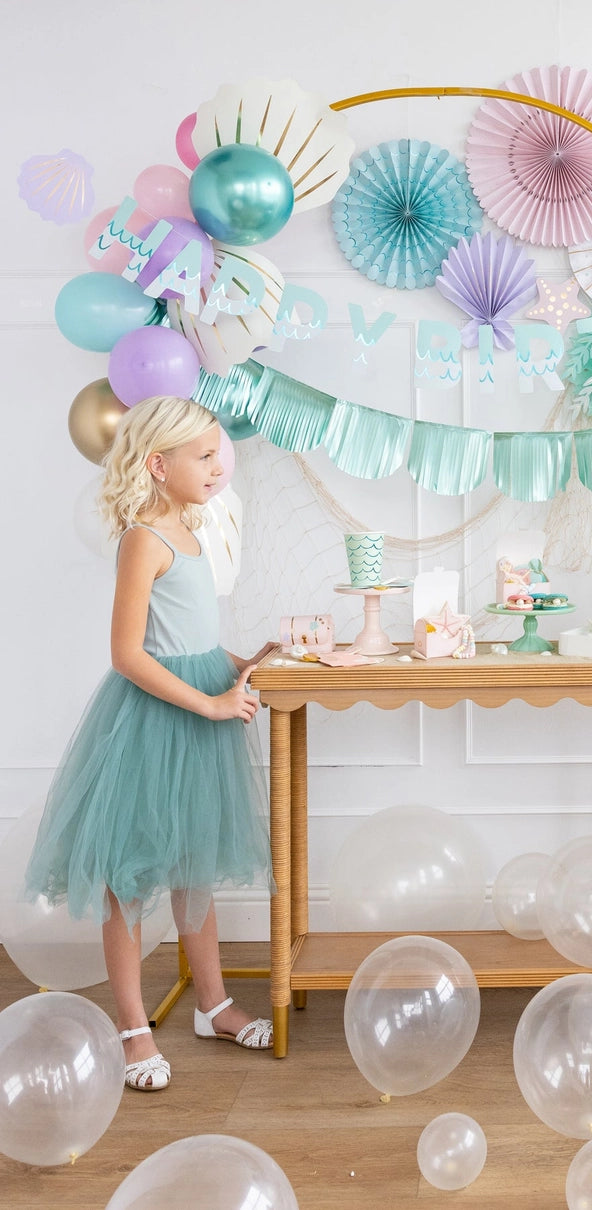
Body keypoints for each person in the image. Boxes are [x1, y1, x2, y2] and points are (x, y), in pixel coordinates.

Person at [26, 396, 278, 1090]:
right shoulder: (144, 537)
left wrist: (231, 661)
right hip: (154, 723)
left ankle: (213, 1005)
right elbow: (128, 654)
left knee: (194, 869)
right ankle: (133, 1028)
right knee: (129, 879)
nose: (217, 466)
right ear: (157, 465)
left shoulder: (191, 532)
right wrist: (211, 701)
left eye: (218, 454)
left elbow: (186, 637)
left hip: (200, 716)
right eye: (203, 456)